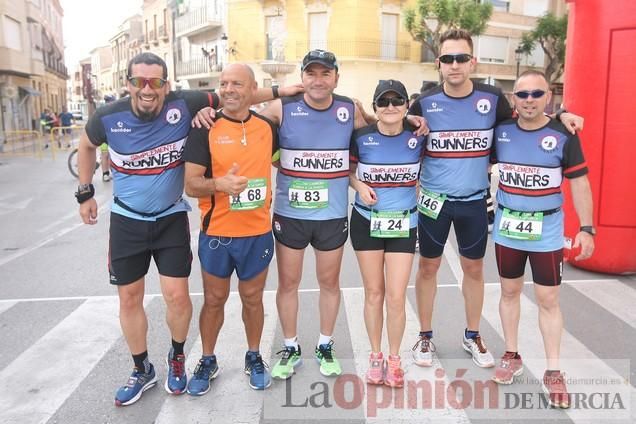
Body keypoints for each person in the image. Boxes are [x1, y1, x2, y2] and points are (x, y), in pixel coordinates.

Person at [76, 52, 297, 406]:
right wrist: (85, 191)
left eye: (155, 82)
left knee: (180, 297)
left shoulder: (191, 106)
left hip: (172, 218)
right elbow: (86, 145)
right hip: (128, 219)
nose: (147, 89)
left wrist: (287, 90)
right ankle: (142, 369)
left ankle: (179, 358)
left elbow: (239, 96)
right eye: (138, 81)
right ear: (128, 83)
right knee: (131, 298)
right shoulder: (110, 116)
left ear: (167, 84)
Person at [192, 49, 426, 380]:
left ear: (335, 78)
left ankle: (325, 344)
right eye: (311, 73)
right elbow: (240, 105)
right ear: (302, 77)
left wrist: (412, 119)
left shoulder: (349, 109)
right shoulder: (283, 107)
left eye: (325, 73)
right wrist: (210, 108)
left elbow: (380, 128)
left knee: (329, 283)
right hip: (290, 215)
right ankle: (290, 347)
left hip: (330, 216)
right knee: (289, 283)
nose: (318, 80)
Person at [407, 29, 583, 369]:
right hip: (434, 202)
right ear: (438, 63)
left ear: (472, 61)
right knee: (428, 267)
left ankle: (472, 334)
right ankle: (425, 335)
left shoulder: (492, 98)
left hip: (474, 200)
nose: (454, 65)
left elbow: (528, 119)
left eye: (461, 58)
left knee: (473, 269)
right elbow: (394, 125)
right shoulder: (423, 103)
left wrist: (561, 114)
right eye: (447, 58)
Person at [490, 70, 594, 409]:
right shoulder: (500, 131)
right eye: (523, 95)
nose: (530, 100)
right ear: (514, 100)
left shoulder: (564, 133)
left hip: (547, 230)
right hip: (508, 227)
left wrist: (587, 228)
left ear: (548, 97)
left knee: (548, 299)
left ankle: (553, 371)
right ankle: (511, 354)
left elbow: (579, 182)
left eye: (537, 94)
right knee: (509, 292)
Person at [182, 63, 277, 394]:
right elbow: (191, 185)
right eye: (224, 83)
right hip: (218, 233)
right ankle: (208, 359)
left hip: (257, 232)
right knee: (214, 299)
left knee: (253, 298)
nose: (229, 89)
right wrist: (220, 184)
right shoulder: (204, 128)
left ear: (253, 89)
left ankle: (254, 356)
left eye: (237, 83)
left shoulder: (268, 127)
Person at [349, 79, 425, 387]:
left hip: (403, 224)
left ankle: (395, 360)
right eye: (384, 102)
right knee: (374, 293)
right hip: (367, 221)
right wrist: (359, 185)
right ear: (375, 107)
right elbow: (347, 171)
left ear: (407, 106)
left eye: (397, 101)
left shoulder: (419, 137)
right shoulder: (361, 137)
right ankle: (375, 356)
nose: (391, 107)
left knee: (395, 297)